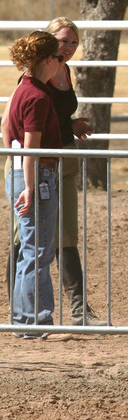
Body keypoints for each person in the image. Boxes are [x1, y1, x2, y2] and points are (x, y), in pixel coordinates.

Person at [3, 18, 98, 326]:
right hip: (37, 168)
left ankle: (61, 311)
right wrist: (21, 169)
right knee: (32, 246)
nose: (66, 51)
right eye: (60, 46)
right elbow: (23, 136)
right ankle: (28, 314)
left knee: (54, 238)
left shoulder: (51, 79)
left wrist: (68, 127)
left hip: (53, 161)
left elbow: (33, 128)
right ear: (47, 54)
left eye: (72, 43)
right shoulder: (34, 89)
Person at [5, 31, 65, 338]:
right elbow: (31, 149)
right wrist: (30, 186)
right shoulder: (39, 97)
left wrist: (16, 171)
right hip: (37, 177)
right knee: (37, 251)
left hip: (21, 173)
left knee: (31, 249)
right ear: (47, 61)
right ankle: (34, 320)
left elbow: (6, 129)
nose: (60, 62)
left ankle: (24, 318)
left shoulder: (22, 89)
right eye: (57, 57)